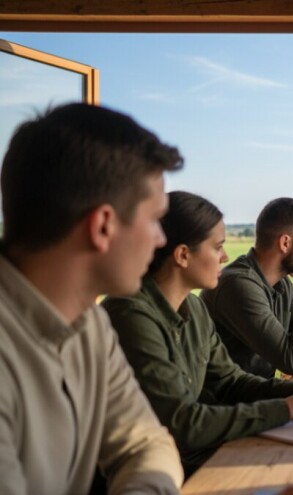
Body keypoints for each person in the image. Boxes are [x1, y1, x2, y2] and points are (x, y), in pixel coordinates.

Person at [103, 191, 293, 476]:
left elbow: (231, 381)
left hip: (200, 444)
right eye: (217, 247)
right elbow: (182, 423)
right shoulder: (131, 315)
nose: (225, 256)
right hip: (149, 470)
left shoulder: (193, 308)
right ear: (183, 255)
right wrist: (288, 409)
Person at [0, 103, 184, 493]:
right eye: (155, 219)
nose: (161, 239)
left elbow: (146, 444)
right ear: (102, 226)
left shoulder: (90, 324)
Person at [200, 197, 293, 377]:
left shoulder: (282, 284)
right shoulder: (237, 285)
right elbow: (292, 361)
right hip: (230, 395)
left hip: (259, 392)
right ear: (285, 243)